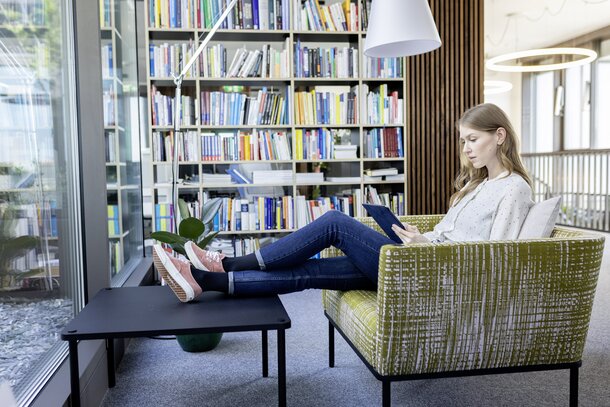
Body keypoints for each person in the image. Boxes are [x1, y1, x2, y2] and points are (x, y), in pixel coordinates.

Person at [153, 103, 534, 302]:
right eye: (463, 141)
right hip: (423, 257)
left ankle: (227, 262)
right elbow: (455, 232)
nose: (466, 149)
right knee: (309, 273)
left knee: (334, 221)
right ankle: (205, 280)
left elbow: (498, 257)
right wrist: (424, 236)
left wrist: (427, 247)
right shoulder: (478, 184)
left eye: (473, 139)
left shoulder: (513, 188)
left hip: (434, 275)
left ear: (499, 136)